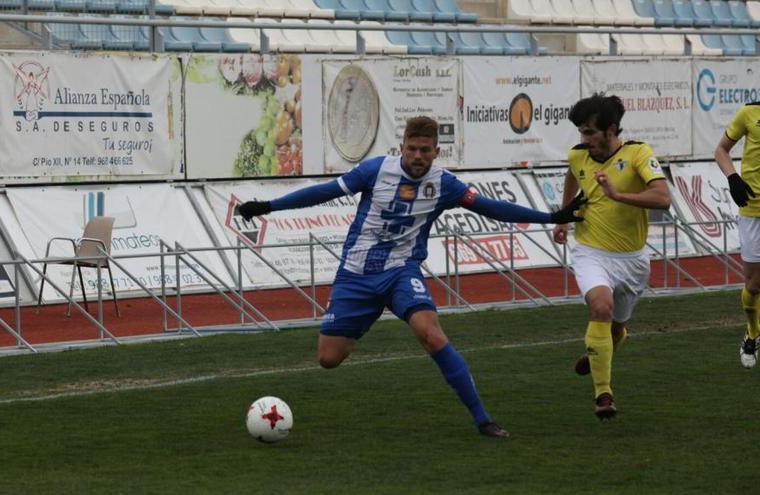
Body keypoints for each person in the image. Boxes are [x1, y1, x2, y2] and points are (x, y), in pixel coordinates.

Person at [238, 116, 585, 439]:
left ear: (437, 151)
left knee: (431, 335)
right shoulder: (375, 171)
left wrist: (551, 216)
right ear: (401, 147)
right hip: (356, 275)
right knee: (328, 358)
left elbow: (491, 207)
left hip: (401, 272)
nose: (418, 156)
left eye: (425, 150)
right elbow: (324, 192)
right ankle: (366, 315)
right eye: (412, 149)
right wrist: (268, 206)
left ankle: (483, 420)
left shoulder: (445, 185)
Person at [552, 94, 671, 419]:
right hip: (591, 252)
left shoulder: (638, 154)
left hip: (632, 260)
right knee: (600, 307)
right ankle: (603, 394)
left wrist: (618, 195)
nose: (584, 139)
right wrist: (564, 215)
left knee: (616, 329)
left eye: (590, 132)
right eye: (581, 132)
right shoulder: (578, 156)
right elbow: (572, 174)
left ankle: (597, 354)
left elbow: (663, 198)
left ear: (612, 130)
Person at [714, 102, 760, 369]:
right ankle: (753, 332)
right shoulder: (749, 113)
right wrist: (733, 177)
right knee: (754, 286)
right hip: (753, 209)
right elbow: (721, 149)